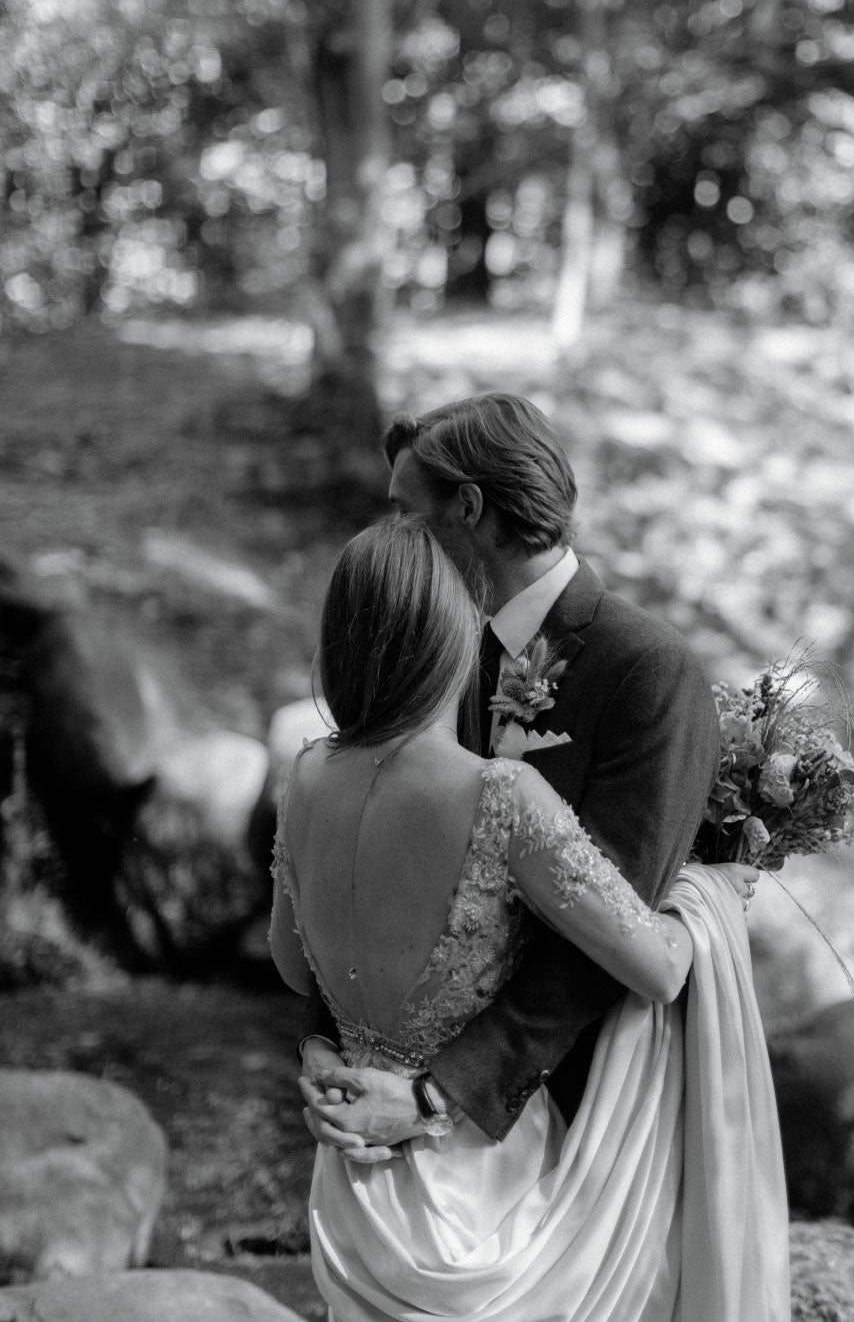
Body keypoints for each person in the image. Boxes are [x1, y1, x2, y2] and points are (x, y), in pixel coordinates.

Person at [271, 515, 789, 1321]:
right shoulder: (502, 797)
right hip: (482, 1182)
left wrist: (333, 1043)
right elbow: (658, 967)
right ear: (455, 638)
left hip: (353, 1175)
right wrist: (718, 888)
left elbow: (292, 964)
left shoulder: (303, 776)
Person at [296, 394, 735, 1154]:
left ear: (467, 507)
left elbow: (607, 936)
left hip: (576, 1112)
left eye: (407, 512)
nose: (394, 536)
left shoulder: (648, 673)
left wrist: (436, 1097)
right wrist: (335, 1043)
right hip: (401, 1090)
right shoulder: (434, 646)